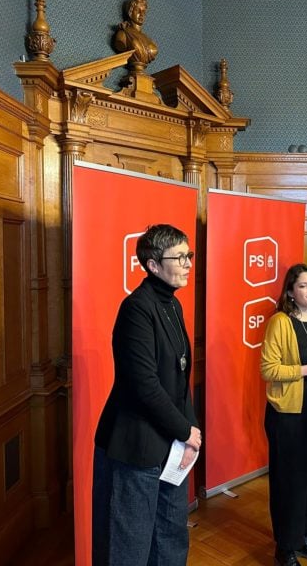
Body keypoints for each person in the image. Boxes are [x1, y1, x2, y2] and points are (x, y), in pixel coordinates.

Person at [92, 224, 201, 566]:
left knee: (171, 537)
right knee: (130, 546)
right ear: (153, 265)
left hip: (171, 443)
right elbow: (143, 385)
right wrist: (184, 431)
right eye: (179, 257)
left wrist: (188, 437)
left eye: (189, 255)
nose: (187, 264)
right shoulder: (136, 309)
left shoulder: (172, 304)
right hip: (135, 444)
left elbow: (180, 377)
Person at [261, 264, 307, 566]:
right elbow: (268, 369)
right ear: (291, 292)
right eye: (303, 286)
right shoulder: (280, 321)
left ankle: (305, 537)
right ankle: (285, 547)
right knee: (290, 481)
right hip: (288, 415)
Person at [113, 0, 159, 72]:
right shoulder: (123, 34)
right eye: (138, 10)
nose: (141, 15)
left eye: (144, 11)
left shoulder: (148, 39)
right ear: (130, 12)